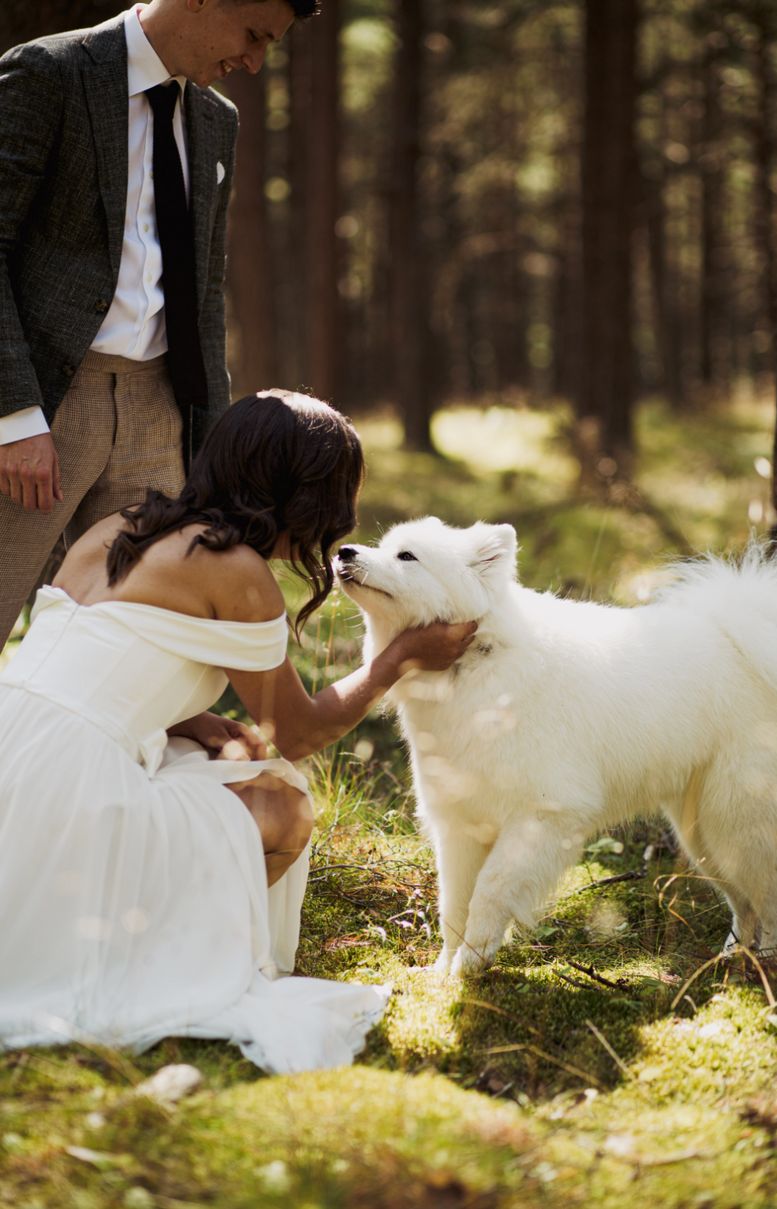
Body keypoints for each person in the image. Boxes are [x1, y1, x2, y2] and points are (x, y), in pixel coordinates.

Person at [0, 390, 477, 1072]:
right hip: (72, 790)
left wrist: (199, 719)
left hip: (12, 742)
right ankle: (166, 958)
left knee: (218, 759)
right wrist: (395, 660)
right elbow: (302, 731)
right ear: (303, 497)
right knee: (284, 804)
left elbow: (92, 658)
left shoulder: (117, 525)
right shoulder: (239, 574)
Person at [0, 0, 312, 651]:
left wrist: (209, 448)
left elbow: (206, 295)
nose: (254, 62)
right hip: (49, 405)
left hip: (157, 411)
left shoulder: (214, 119)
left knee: (134, 636)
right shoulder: (49, 73)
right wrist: (15, 415)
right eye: (253, 35)